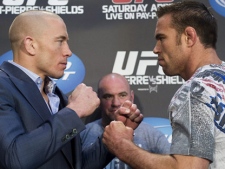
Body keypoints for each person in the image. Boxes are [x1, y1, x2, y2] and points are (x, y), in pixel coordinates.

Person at [0, 10, 143, 169]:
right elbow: (13, 159)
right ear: (31, 45)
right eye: (60, 41)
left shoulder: (56, 95)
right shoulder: (3, 86)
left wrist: (118, 134)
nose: (68, 51)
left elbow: (77, 165)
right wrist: (73, 111)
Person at [102, 1, 225, 169]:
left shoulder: (195, 92)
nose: (155, 49)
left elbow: (188, 167)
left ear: (189, 37)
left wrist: (122, 147)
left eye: (162, 38)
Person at [81, 73, 170, 169]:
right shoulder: (84, 133)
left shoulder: (151, 134)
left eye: (122, 95)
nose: (116, 103)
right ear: (99, 99)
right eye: (108, 96)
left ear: (131, 97)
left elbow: (173, 166)